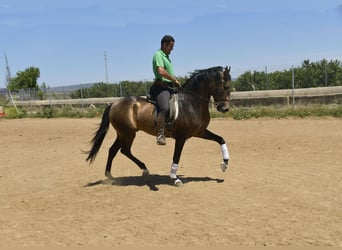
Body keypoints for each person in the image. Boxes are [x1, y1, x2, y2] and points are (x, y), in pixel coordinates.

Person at [151, 35, 180, 145]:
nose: (172, 48)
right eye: (170, 46)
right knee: (164, 108)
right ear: (164, 44)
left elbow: (168, 72)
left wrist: (175, 80)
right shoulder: (158, 55)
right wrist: (173, 79)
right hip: (161, 88)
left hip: (169, 86)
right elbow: (161, 71)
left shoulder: (167, 57)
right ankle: (159, 134)